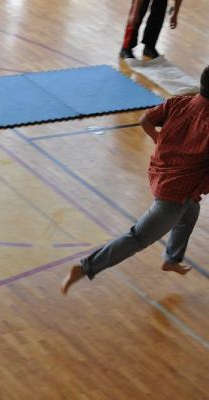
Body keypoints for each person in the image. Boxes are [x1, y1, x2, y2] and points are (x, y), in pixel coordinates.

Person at [61, 65, 209, 295]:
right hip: (174, 194)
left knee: (190, 212)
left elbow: (145, 119)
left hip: (161, 173)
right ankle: (85, 267)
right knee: (138, 238)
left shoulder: (179, 103)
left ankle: (172, 259)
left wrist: (157, 138)